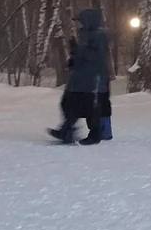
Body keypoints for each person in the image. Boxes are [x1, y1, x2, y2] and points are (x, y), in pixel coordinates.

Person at [47, 9, 109, 145]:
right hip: (78, 79)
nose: (79, 24)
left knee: (90, 107)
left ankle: (94, 134)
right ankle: (67, 129)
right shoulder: (83, 35)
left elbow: (96, 57)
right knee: (67, 103)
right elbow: (82, 55)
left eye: (81, 21)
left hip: (92, 80)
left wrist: (78, 51)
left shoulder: (99, 36)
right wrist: (73, 59)